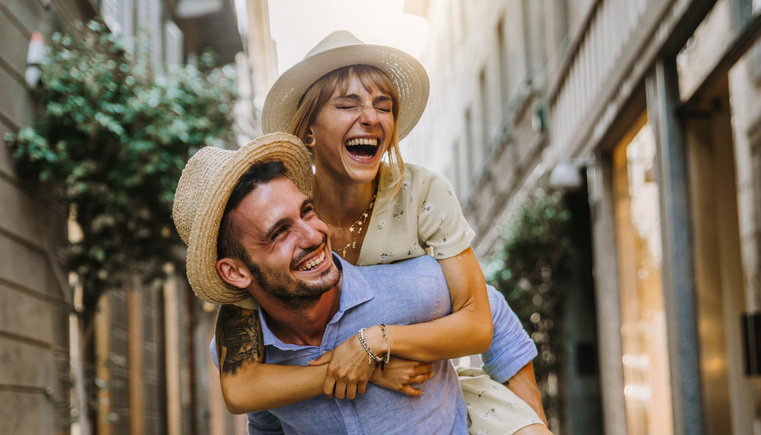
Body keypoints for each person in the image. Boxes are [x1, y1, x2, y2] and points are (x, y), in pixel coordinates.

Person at [218, 31, 549, 433]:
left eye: (383, 105)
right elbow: (243, 389)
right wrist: (367, 368)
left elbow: (483, 314)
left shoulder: (422, 193)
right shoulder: (281, 214)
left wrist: (375, 342)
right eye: (346, 104)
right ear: (309, 131)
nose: (372, 118)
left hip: (445, 400)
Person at [171, 134, 552, 434]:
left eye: (307, 211)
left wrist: (529, 421)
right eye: (279, 232)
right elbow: (267, 419)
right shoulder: (244, 358)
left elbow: (489, 309)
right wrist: (363, 370)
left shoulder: (408, 288)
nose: (313, 235)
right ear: (236, 272)